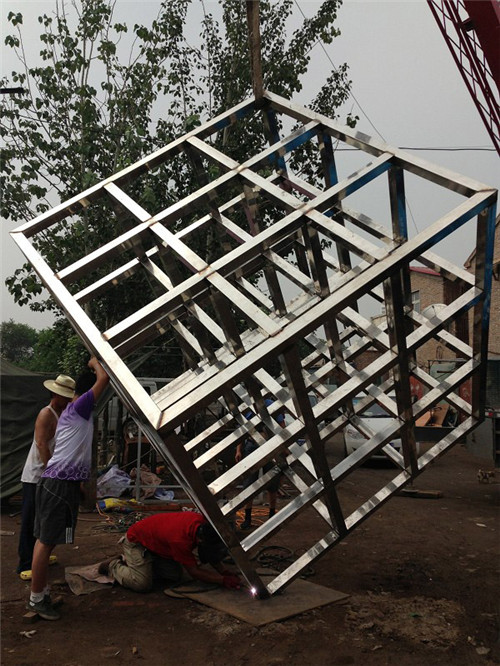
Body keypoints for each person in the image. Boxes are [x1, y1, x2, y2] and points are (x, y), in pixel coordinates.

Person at [27, 357, 109, 620]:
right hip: (58, 485)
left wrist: (80, 485)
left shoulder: (73, 412)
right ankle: (36, 599)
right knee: (46, 542)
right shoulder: (79, 406)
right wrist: (94, 362)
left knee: (46, 542)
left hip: (61, 483)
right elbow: (104, 378)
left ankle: (41, 594)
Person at [17, 374, 76, 578]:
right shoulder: (46, 414)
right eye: (64, 396)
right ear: (55, 394)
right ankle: (25, 563)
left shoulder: (62, 413)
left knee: (44, 519)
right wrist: (51, 473)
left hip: (48, 474)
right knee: (30, 519)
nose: (67, 399)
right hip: (36, 476)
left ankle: (38, 555)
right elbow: (42, 444)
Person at [101, 511, 241, 593]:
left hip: (158, 544)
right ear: (200, 540)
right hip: (136, 541)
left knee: (174, 575)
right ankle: (113, 566)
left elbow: (209, 550)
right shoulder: (180, 540)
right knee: (142, 584)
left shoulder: (201, 524)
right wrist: (222, 580)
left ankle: (143, 564)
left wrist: (223, 571)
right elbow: (195, 572)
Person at [235, 398, 285, 530]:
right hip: (252, 447)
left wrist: (281, 446)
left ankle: (271, 516)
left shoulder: (270, 405)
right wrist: (239, 450)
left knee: (272, 482)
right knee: (249, 484)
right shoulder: (248, 408)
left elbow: (282, 425)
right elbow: (242, 431)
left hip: (270, 447)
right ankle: (247, 518)